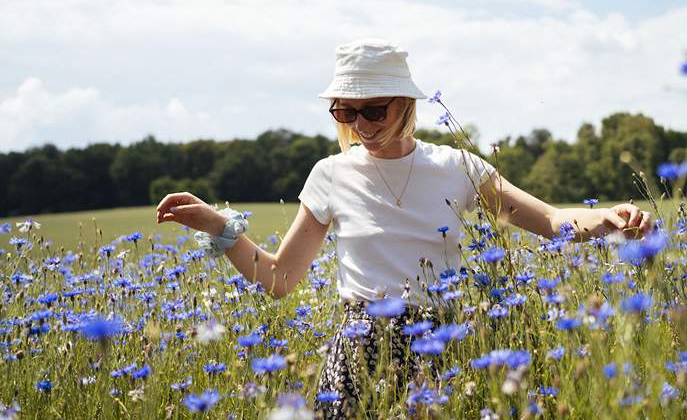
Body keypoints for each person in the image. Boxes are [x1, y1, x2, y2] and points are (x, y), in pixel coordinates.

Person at [155, 38, 653, 419]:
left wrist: (607, 219)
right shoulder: (331, 174)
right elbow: (280, 279)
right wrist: (219, 227)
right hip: (357, 349)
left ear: (406, 104)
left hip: (446, 344)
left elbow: (548, 220)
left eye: (375, 110)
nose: (362, 124)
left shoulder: (458, 166)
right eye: (346, 111)